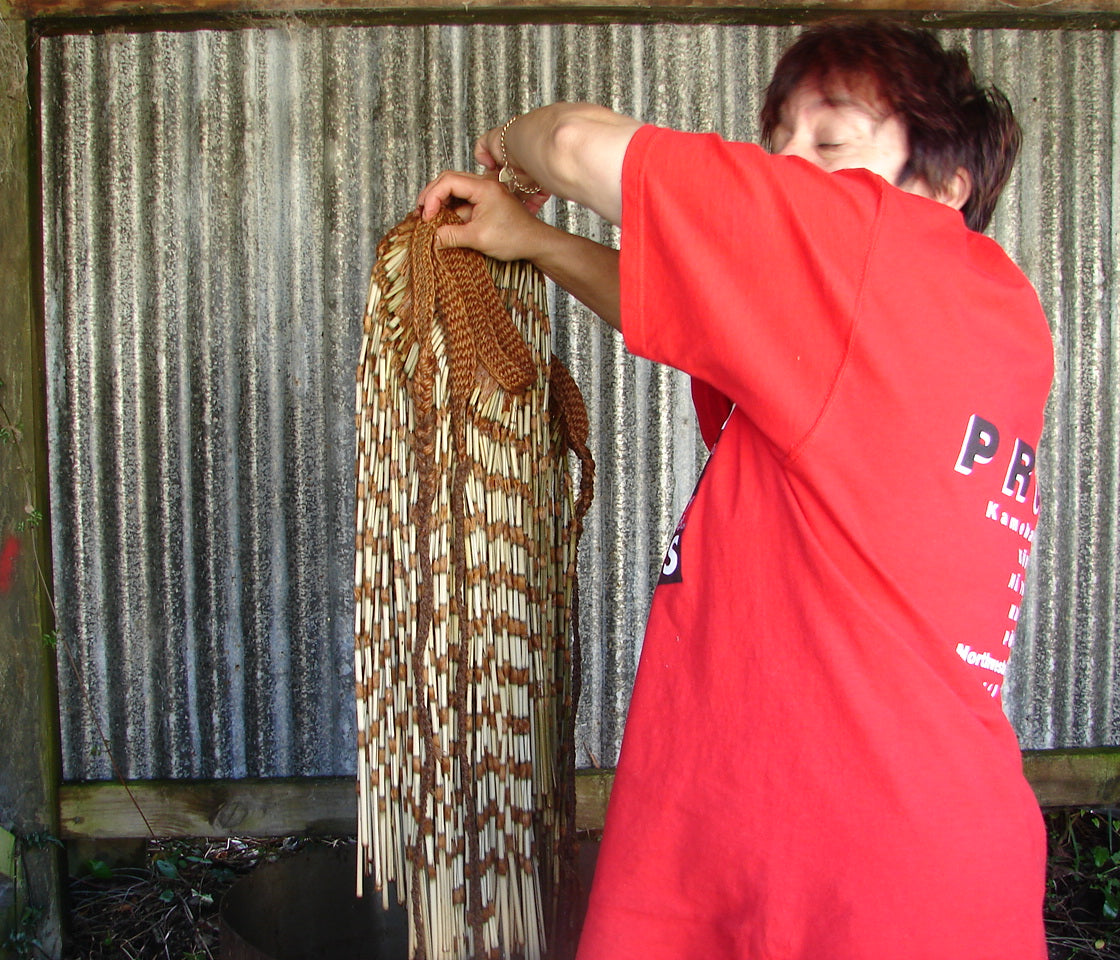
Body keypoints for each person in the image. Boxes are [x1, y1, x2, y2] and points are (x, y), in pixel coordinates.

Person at [417, 17, 1053, 960]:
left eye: (830, 142)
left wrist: (504, 147)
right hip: (861, 849)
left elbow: (574, 145)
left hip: (842, 877)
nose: (791, 165)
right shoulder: (964, 322)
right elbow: (677, 308)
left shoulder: (874, 253)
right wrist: (533, 243)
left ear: (946, 191)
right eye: (778, 140)